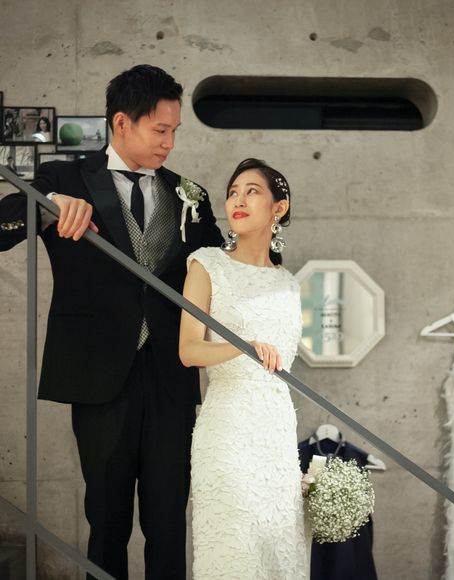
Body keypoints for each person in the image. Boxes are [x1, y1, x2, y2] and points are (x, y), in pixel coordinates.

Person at [0, 64, 223, 580]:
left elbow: (221, 268)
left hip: (171, 376)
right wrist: (46, 206)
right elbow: (2, 224)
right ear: (122, 123)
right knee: (106, 523)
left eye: (175, 131)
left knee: (169, 521)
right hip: (98, 377)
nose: (169, 143)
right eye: (160, 130)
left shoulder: (188, 194)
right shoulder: (65, 179)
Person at [179, 158, 309, 579]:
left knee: (279, 556)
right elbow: (189, 350)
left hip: (276, 432)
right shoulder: (206, 265)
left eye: (252, 192)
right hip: (227, 432)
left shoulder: (288, 283)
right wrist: (243, 347)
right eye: (233, 192)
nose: (238, 200)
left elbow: (283, 364)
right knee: (234, 553)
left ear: (278, 208)